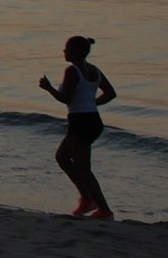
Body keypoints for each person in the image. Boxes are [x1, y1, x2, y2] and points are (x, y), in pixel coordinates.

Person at [38, 35, 117, 219]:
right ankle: (86, 198)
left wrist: (48, 88)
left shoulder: (72, 71)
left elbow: (66, 98)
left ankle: (104, 209)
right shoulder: (95, 70)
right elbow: (110, 93)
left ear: (77, 51)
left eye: (67, 48)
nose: (64, 51)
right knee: (62, 157)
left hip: (81, 122)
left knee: (84, 168)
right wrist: (92, 103)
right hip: (91, 120)